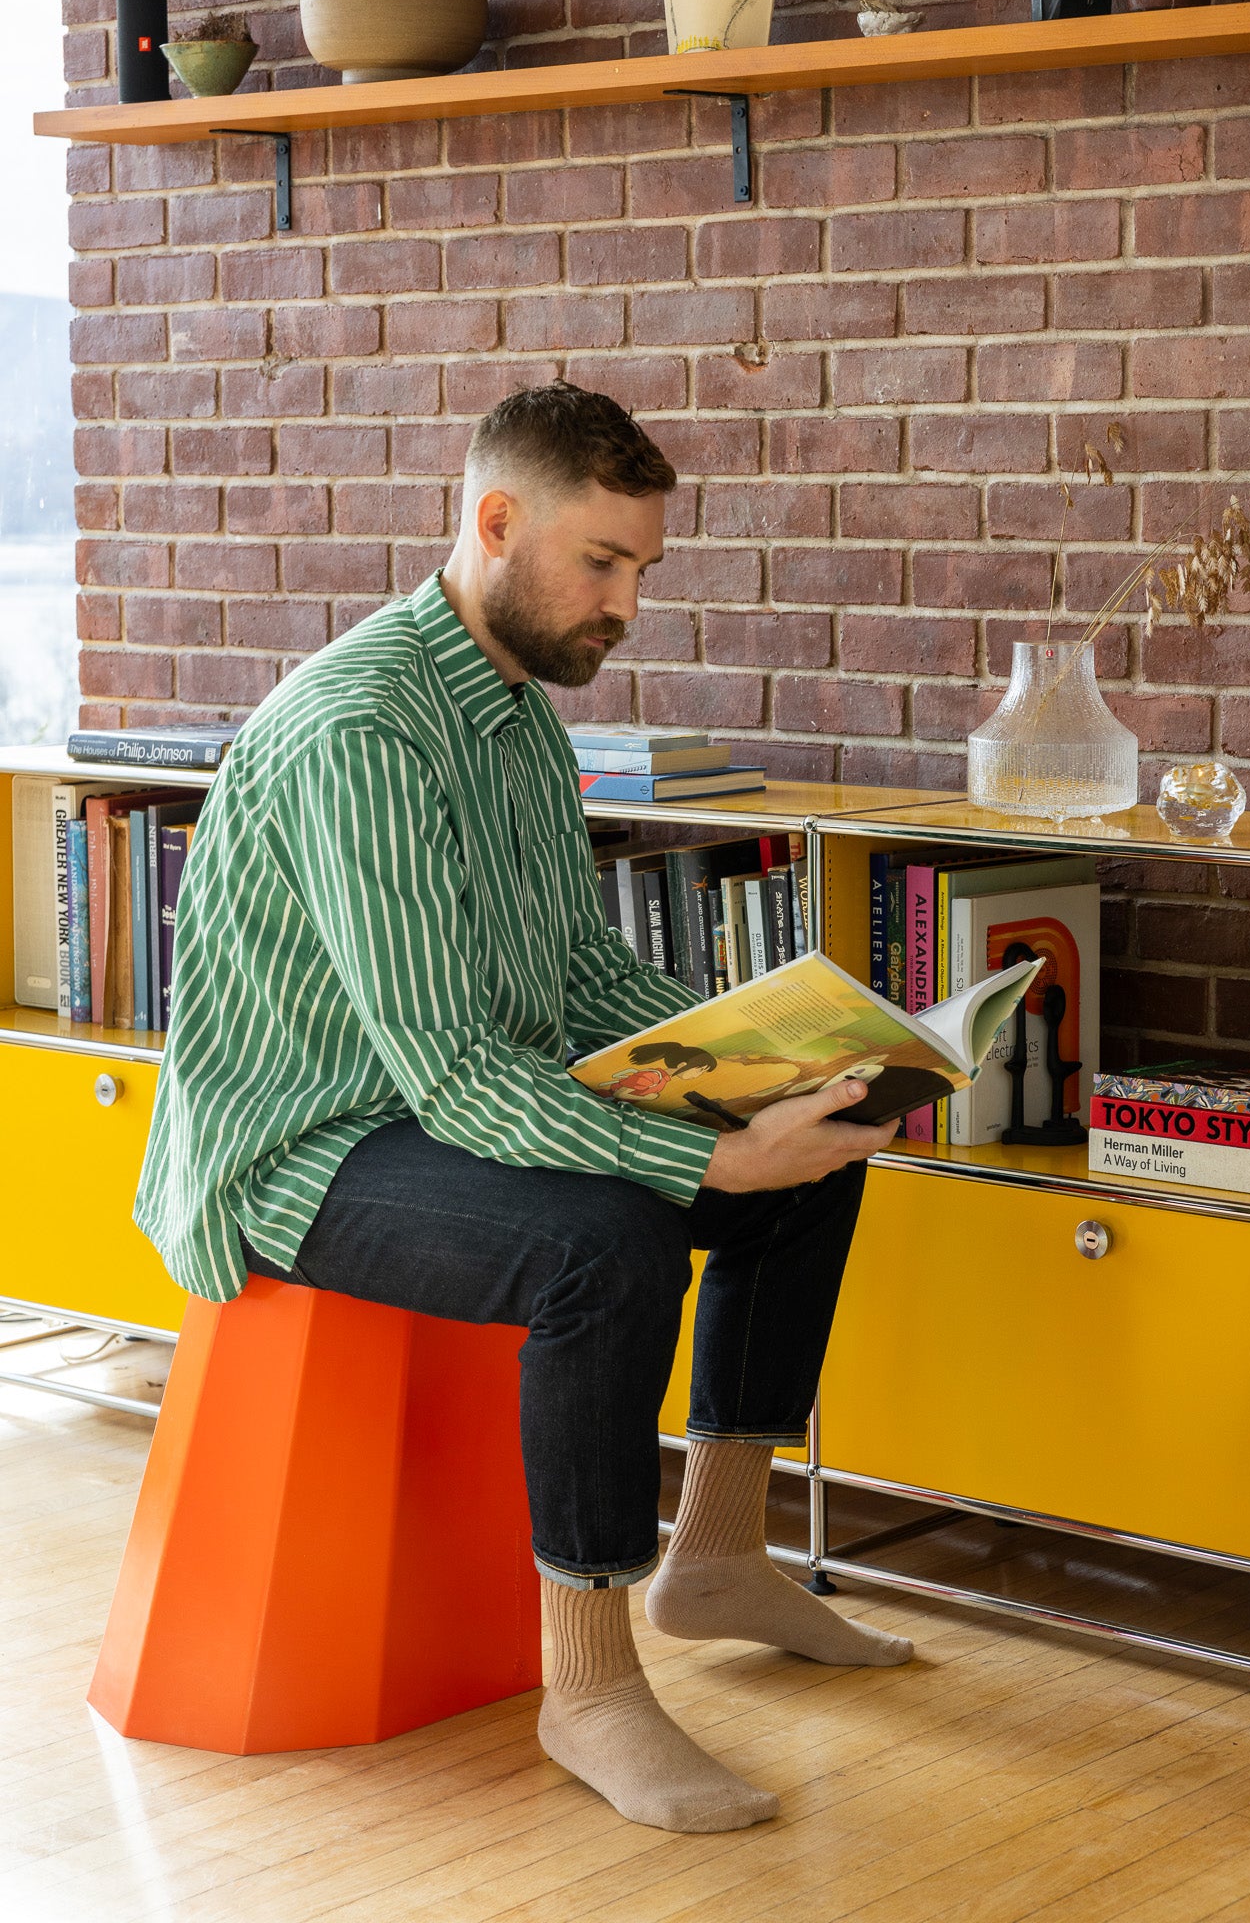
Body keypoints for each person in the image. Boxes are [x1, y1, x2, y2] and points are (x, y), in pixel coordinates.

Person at [134, 382, 911, 1835]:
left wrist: (771, 1071)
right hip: (302, 1148)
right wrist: (704, 1155)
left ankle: (722, 1555)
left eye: (641, 571)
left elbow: (571, 976)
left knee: (821, 1160)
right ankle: (592, 1688)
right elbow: (452, 1071)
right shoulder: (365, 730)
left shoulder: (515, 724)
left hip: (434, 1112)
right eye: (599, 565)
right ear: (495, 525)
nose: (624, 606)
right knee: (601, 1246)